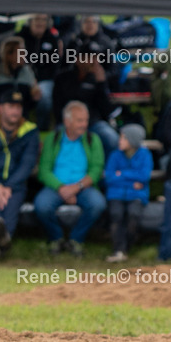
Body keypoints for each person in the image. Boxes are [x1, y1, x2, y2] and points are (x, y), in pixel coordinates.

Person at [34, 101, 107, 257]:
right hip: (57, 187)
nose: (84, 124)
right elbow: (44, 171)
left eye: (86, 120)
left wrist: (76, 188)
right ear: (67, 122)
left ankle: (76, 239)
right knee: (41, 205)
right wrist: (62, 189)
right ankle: (56, 238)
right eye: (80, 120)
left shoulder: (93, 139)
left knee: (98, 204)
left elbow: (96, 170)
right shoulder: (53, 139)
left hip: (83, 187)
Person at [0, 90, 39, 260]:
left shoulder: (30, 131)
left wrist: (8, 186)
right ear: (0, 108)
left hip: (15, 185)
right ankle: (1, 242)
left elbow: (27, 164)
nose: (15, 111)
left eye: (18, 107)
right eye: (11, 106)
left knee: (10, 208)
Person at [52, 43, 119, 155]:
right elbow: (57, 107)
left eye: (95, 58)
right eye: (88, 57)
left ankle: (105, 166)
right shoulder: (63, 78)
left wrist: (101, 84)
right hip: (68, 123)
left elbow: (107, 111)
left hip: (92, 123)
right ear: (78, 59)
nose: (93, 61)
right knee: (55, 140)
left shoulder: (99, 78)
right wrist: (71, 122)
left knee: (112, 140)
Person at [104, 124, 152, 263]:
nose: (119, 141)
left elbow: (144, 176)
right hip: (116, 194)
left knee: (133, 215)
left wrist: (122, 174)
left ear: (132, 140)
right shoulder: (115, 155)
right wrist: (132, 181)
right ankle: (118, 250)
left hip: (137, 195)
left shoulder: (145, 155)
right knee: (116, 215)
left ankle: (126, 248)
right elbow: (110, 177)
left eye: (123, 138)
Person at [16, 15, 62, 130]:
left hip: (44, 79)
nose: (40, 23)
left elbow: (54, 66)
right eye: (37, 19)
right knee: (18, 93)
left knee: (44, 97)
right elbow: (15, 62)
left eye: (43, 20)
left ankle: (42, 128)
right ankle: (20, 126)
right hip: (22, 76)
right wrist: (30, 79)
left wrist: (37, 80)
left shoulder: (52, 39)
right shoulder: (20, 37)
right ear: (30, 21)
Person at [0, 37, 41, 117]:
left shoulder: (27, 72)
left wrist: (35, 98)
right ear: (9, 55)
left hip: (20, 118)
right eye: (21, 52)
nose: (24, 55)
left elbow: (28, 104)